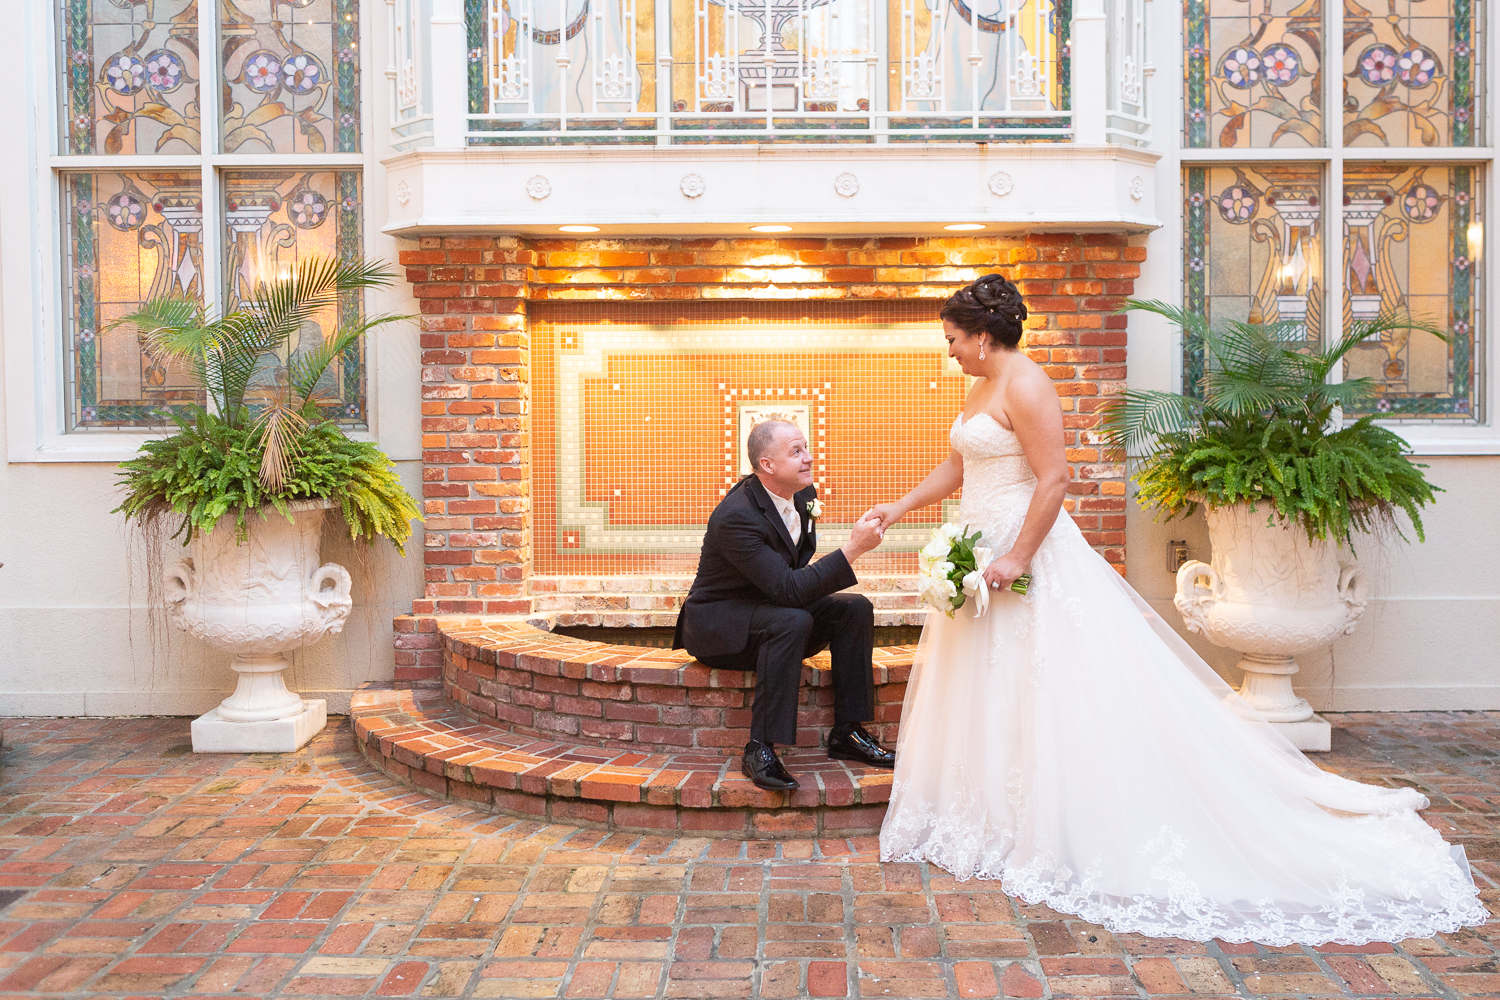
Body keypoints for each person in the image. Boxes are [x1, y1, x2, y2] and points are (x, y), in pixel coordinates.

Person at [863, 273, 1487, 944]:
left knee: (1046, 687)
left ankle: (1060, 820)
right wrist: (899, 508)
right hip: (978, 552)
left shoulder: (1028, 385)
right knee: (992, 688)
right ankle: (996, 817)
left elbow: (1055, 479)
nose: (949, 351)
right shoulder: (979, 383)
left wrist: (1018, 555)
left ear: (983, 338)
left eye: (953, 339)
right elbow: (962, 467)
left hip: (1024, 556)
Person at [674, 419, 895, 792]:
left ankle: (848, 732)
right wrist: (853, 548)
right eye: (796, 451)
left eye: (806, 448)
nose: (809, 458)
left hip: (770, 609)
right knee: (791, 620)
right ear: (768, 465)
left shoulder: (804, 497)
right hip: (720, 626)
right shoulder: (736, 516)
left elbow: (790, 583)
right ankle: (759, 747)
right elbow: (790, 590)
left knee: (854, 608)